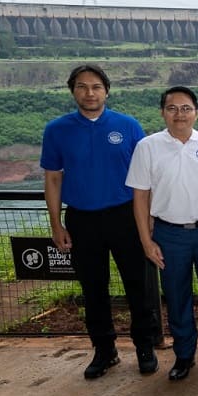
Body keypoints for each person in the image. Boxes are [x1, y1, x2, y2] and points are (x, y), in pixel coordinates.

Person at [41, 64, 163, 379]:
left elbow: (145, 180)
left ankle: (145, 347)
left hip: (125, 216)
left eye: (96, 86)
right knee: (93, 289)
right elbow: (53, 179)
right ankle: (104, 351)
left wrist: (147, 218)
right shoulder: (57, 130)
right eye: (82, 87)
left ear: (106, 90)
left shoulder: (128, 126)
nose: (89, 93)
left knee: (139, 287)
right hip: (82, 219)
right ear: (73, 92)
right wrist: (56, 224)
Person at [127, 86, 198, 381]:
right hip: (169, 234)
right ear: (163, 112)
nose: (180, 114)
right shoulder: (148, 147)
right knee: (177, 297)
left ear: (196, 112)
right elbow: (140, 197)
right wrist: (145, 240)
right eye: (172, 108)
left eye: (186, 108)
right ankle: (184, 355)